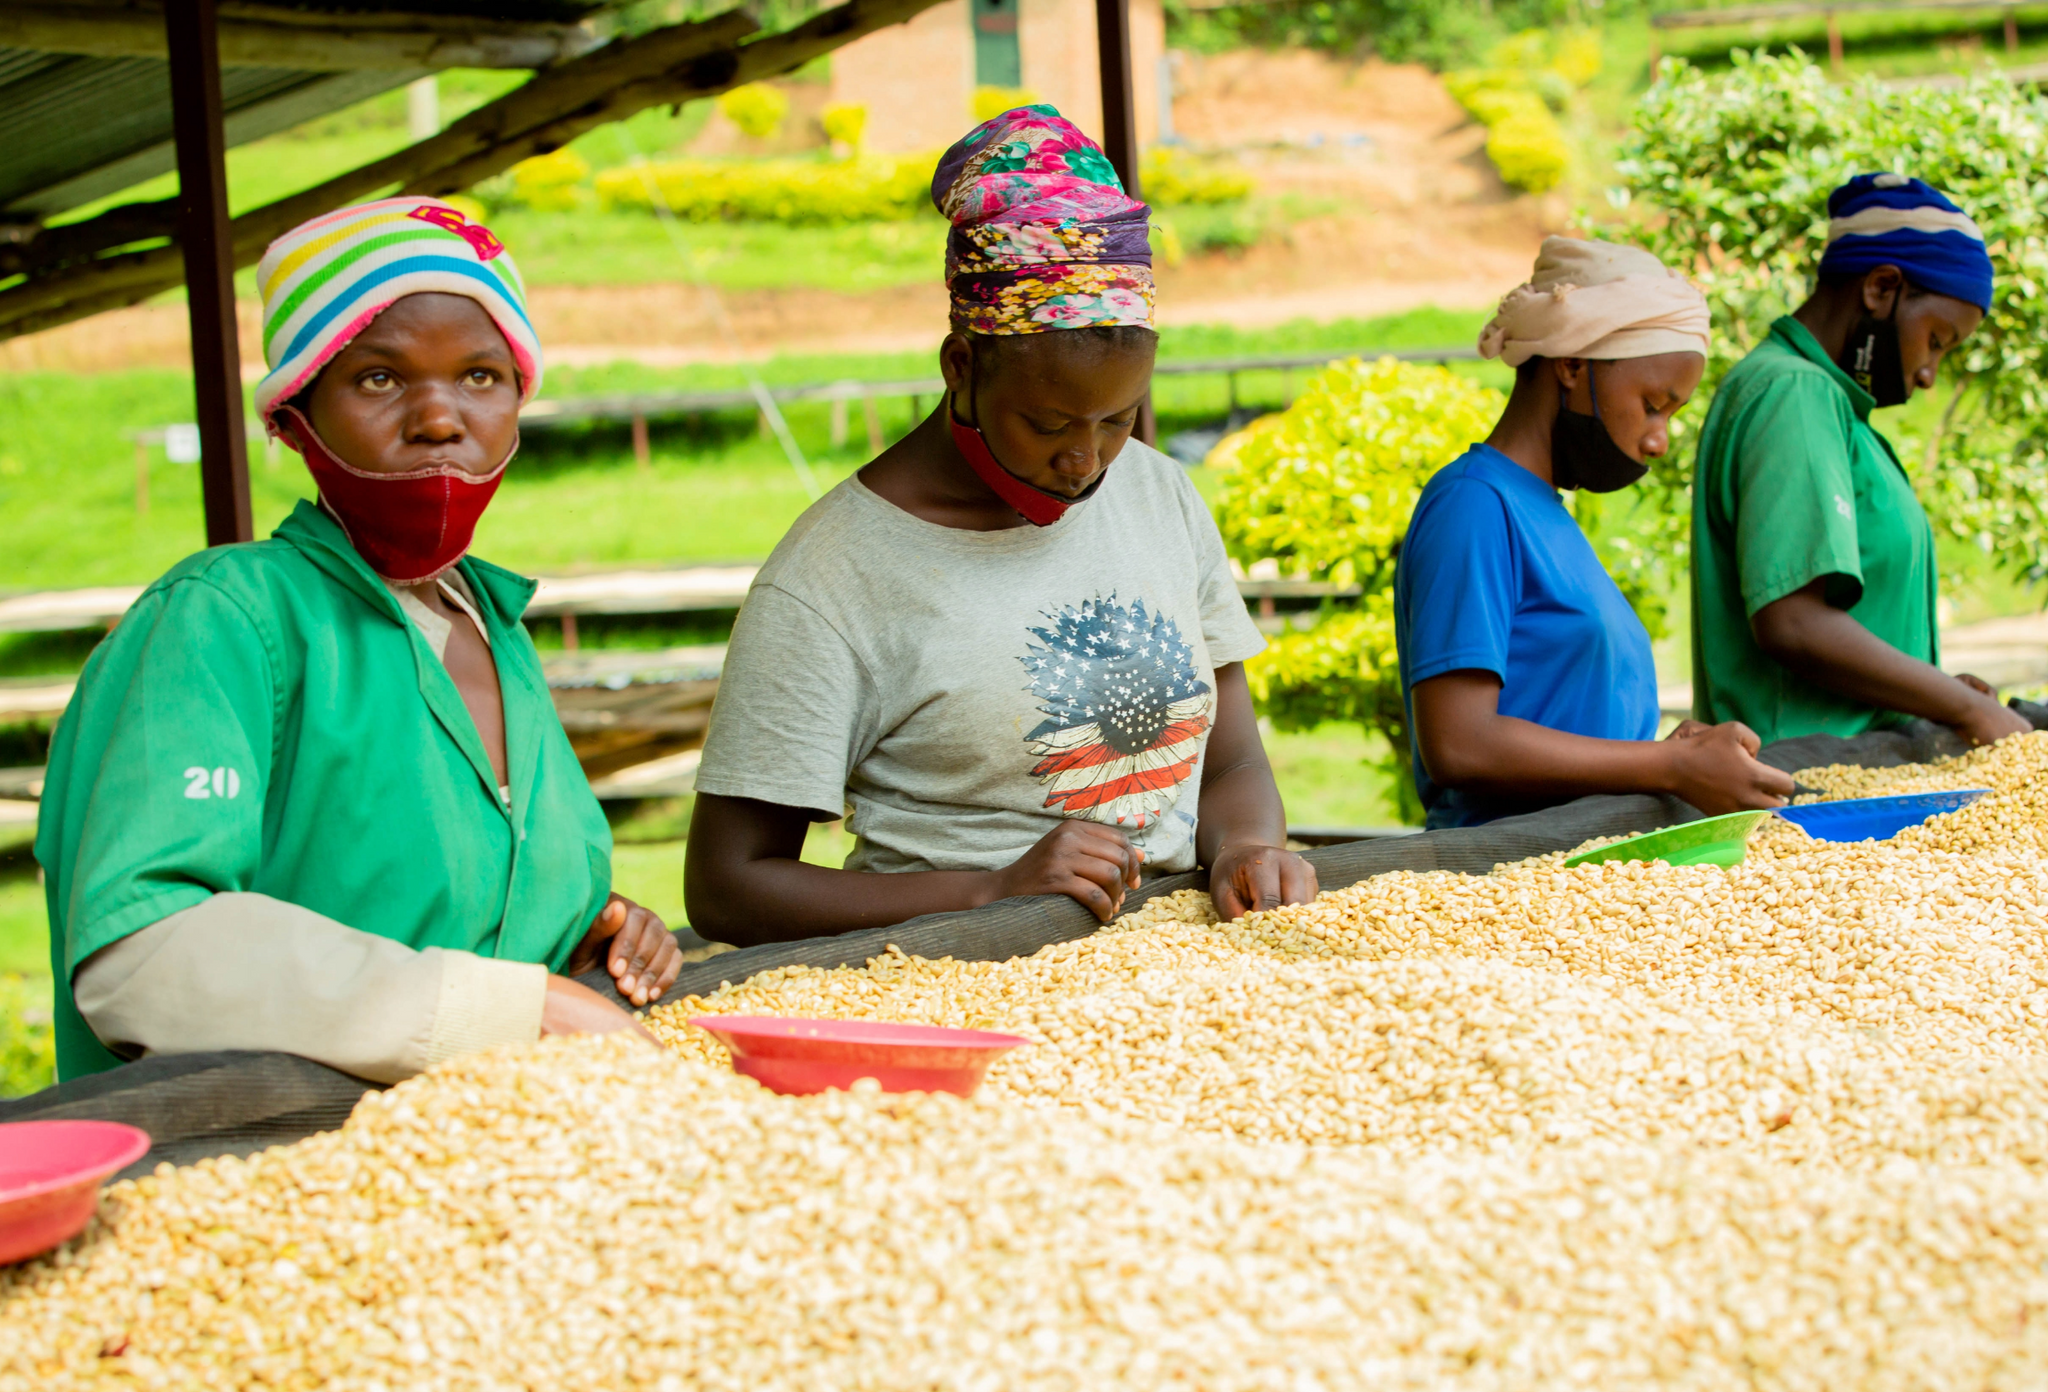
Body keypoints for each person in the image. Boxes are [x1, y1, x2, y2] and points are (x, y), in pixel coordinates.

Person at [37, 198, 683, 1084]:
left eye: (481, 375)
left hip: (495, 1149)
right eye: (379, 378)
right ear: (293, 416)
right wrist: (510, 1010)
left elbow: (447, 912)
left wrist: (582, 927)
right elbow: (144, 951)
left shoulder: (492, 627)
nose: (440, 417)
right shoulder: (223, 620)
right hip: (264, 1153)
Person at [685, 105, 1315, 944]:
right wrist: (990, 891)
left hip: (1168, 962)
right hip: (951, 973)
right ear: (961, 367)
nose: (1085, 459)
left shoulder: (1159, 494)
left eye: (1118, 419)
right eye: (1048, 425)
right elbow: (727, 886)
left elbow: (1230, 759)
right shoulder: (832, 577)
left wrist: (1246, 846)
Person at [1394, 236, 1795, 831]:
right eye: (1653, 404)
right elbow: (1460, 744)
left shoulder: (1546, 512)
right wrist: (1668, 766)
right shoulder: (1474, 504)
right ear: (1573, 365)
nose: (1659, 440)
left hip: (1581, 866)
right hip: (1502, 869)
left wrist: (1671, 756)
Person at [1690, 173, 2028, 748]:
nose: (1929, 374)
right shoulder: (1794, 393)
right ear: (1881, 287)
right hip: (1804, 774)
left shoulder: (1831, 407)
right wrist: (1967, 709)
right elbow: (1793, 623)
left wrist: (1931, 691)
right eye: (1937, 340)